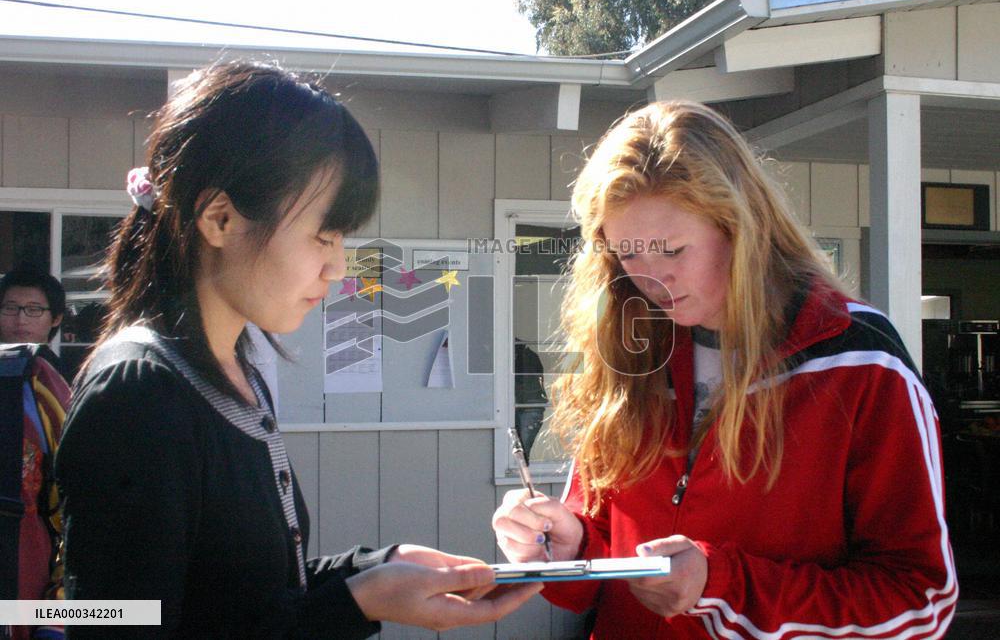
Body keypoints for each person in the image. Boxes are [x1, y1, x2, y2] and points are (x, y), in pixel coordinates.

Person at [54, 61, 540, 639]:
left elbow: (249, 598)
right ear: (221, 217)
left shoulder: (236, 373)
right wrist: (357, 603)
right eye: (323, 235)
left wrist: (375, 569)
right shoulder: (136, 394)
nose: (337, 265)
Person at [492, 101, 956, 638]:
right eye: (628, 256)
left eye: (671, 250)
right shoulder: (630, 348)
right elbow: (606, 551)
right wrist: (568, 545)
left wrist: (720, 586)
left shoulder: (860, 360)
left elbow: (921, 603)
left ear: (741, 228)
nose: (652, 280)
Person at [0, 267, 66, 348]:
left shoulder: (55, 361)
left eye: (33, 309)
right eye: (11, 308)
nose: (21, 320)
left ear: (56, 319)